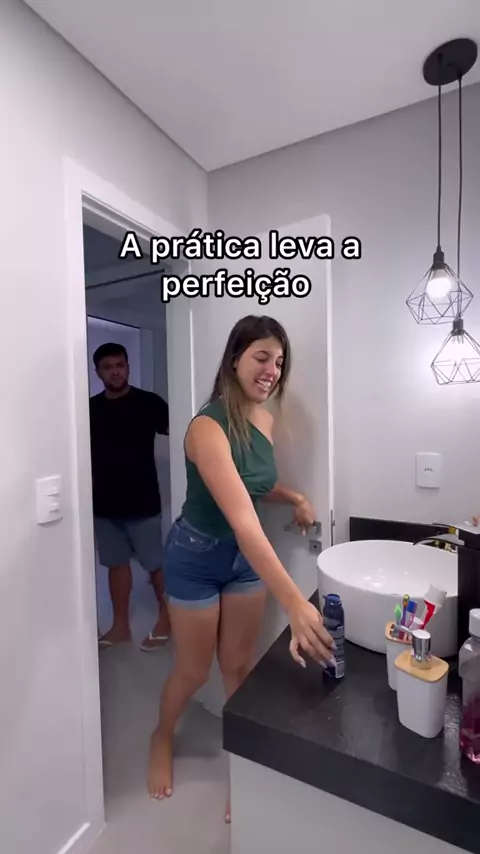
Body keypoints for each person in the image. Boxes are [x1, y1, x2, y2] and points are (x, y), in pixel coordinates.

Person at [147, 314, 335, 820]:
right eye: (261, 357)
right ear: (235, 359)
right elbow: (243, 520)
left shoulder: (264, 419)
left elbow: (252, 487)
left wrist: (294, 496)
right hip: (196, 555)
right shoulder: (206, 428)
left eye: (279, 361)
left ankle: (244, 768)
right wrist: (295, 601)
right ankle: (161, 737)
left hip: (243, 562)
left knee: (237, 667)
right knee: (192, 672)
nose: (272, 370)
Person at [89, 342, 170, 652]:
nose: (115, 372)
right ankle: (120, 626)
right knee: (115, 564)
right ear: (98, 372)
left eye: (120, 365)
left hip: (143, 503)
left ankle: (167, 619)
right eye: (108, 367)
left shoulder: (148, 403)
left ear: (128, 367)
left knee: (155, 564)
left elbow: (184, 432)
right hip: (104, 506)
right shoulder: (90, 409)